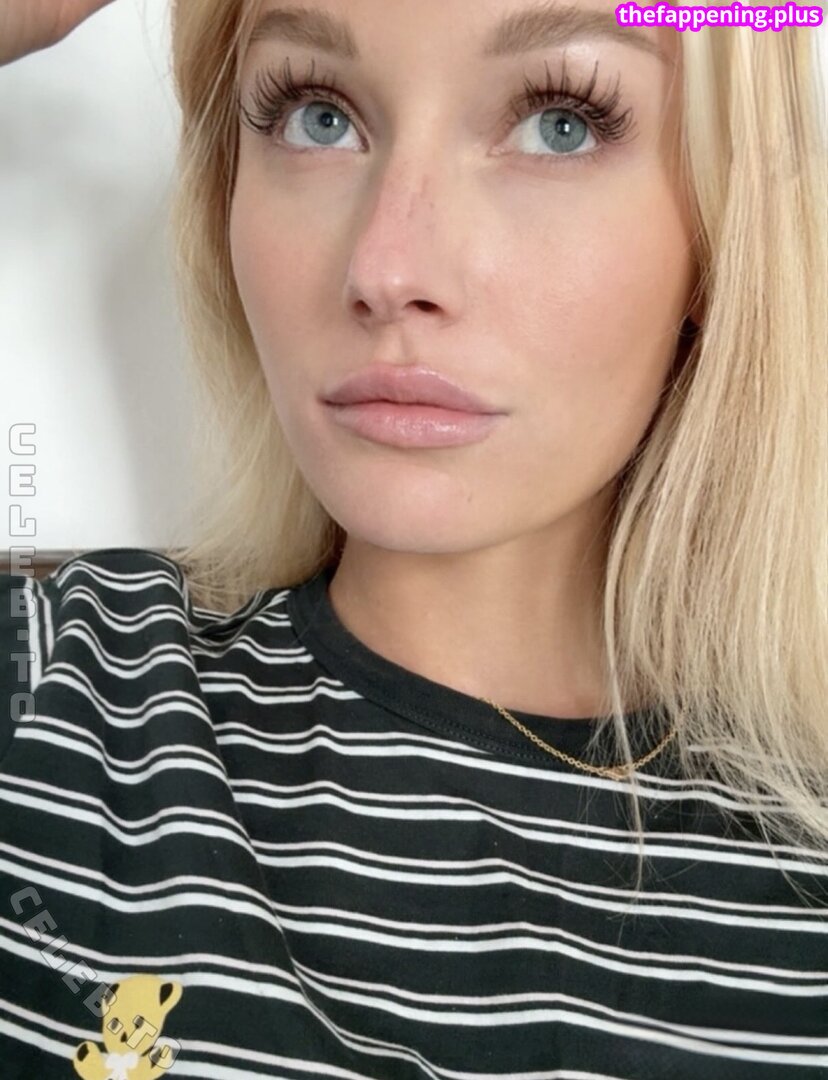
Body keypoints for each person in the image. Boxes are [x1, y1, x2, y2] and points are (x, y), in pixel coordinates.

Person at [1, 0, 826, 1077]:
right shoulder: (58, 689)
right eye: (316, 114)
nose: (387, 269)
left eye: (561, 122)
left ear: (727, 221)